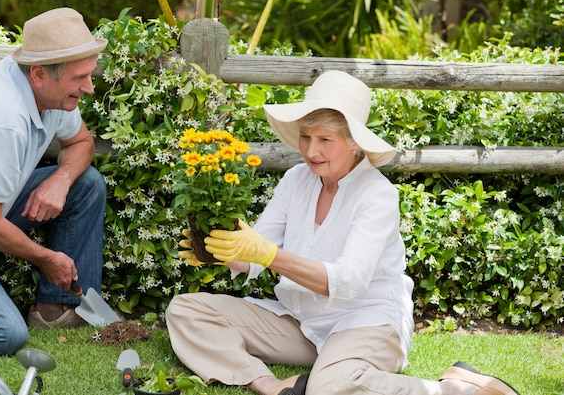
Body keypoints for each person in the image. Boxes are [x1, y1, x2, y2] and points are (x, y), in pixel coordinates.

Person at [166, 71, 519, 395]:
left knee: (329, 386)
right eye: (305, 137)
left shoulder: (377, 195)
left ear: (354, 144)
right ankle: (272, 386)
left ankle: (455, 388)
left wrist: (270, 255)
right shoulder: (295, 181)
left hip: (368, 323)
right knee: (186, 310)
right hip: (302, 322)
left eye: (325, 139)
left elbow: (347, 281)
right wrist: (224, 251)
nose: (310, 151)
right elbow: (255, 254)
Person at [0, 7, 107, 355]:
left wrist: (60, 178)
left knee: (85, 184)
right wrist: (47, 258)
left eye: (89, 75)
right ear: (40, 74)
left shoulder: (48, 91)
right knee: (5, 336)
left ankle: (58, 310)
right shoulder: (2, 120)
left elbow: (81, 143)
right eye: (80, 78)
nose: (89, 88)